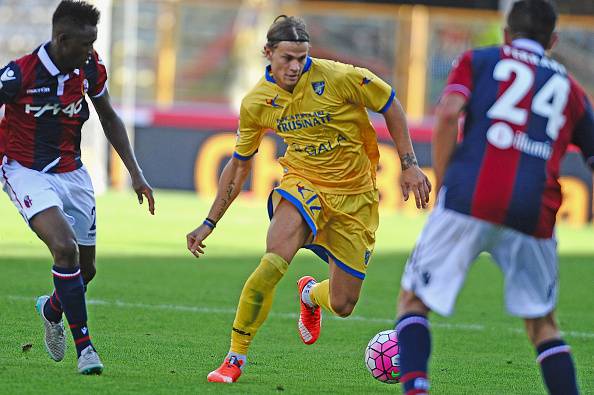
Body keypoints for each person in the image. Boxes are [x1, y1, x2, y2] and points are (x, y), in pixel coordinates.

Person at [186, 15, 431, 383]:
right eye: (287, 57)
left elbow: (390, 104)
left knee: (344, 304)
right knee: (271, 264)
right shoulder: (257, 102)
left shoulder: (340, 77)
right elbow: (239, 166)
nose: (295, 66)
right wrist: (209, 222)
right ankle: (234, 358)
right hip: (304, 185)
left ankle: (311, 295)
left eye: (302, 57)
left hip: (356, 197)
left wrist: (409, 164)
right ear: (268, 53)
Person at [395, 1, 593, 394]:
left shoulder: (479, 60)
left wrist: (446, 179)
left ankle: (416, 387)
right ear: (552, 40)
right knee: (543, 325)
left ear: (506, 33)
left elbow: (450, 113)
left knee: (414, 302)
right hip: (535, 211)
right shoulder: (571, 90)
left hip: (470, 196)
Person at [0, 1, 155, 375]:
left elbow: (108, 116)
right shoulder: (19, 74)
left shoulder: (88, 67)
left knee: (86, 271)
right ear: (62, 39)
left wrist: (135, 172)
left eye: (93, 44)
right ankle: (86, 350)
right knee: (64, 248)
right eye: (85, 45)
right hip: (25, 170)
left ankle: (52, 309)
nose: (90, 51)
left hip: (73, 172)